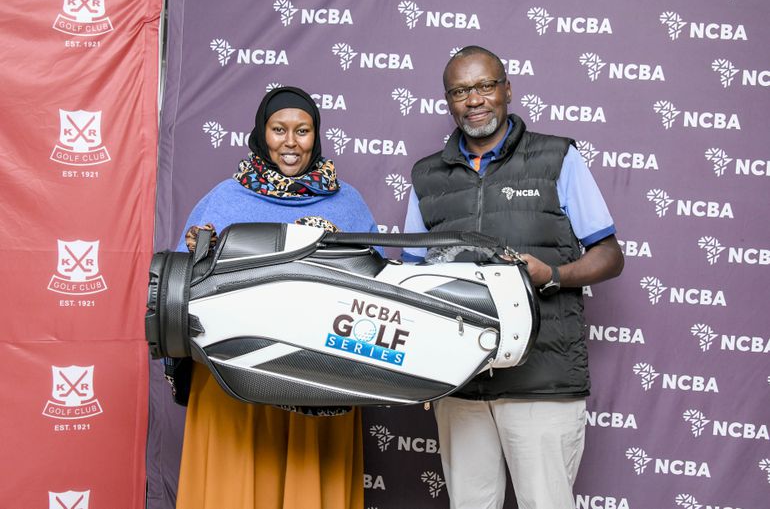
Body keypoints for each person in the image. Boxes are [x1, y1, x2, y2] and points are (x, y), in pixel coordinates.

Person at [402, 46, 624, 509]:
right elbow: (411, 276)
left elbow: (609, 255)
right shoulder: (426, 176)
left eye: (485, 85)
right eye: (461, 91)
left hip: (541, 379)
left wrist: (553, 274)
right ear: (448, 101)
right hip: (460, 381)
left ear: (506, 89)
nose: (475, 99)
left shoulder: (557, 157)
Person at [174, 86, 377, 509]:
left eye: (302, 131)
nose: (290, 142)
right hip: (233, 373)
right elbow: (179, 289)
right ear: (261, 134)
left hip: (318, 376)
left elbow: (376, 286)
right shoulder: (224, 199)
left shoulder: (348, 205)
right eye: (278, 129)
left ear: (315, 136)